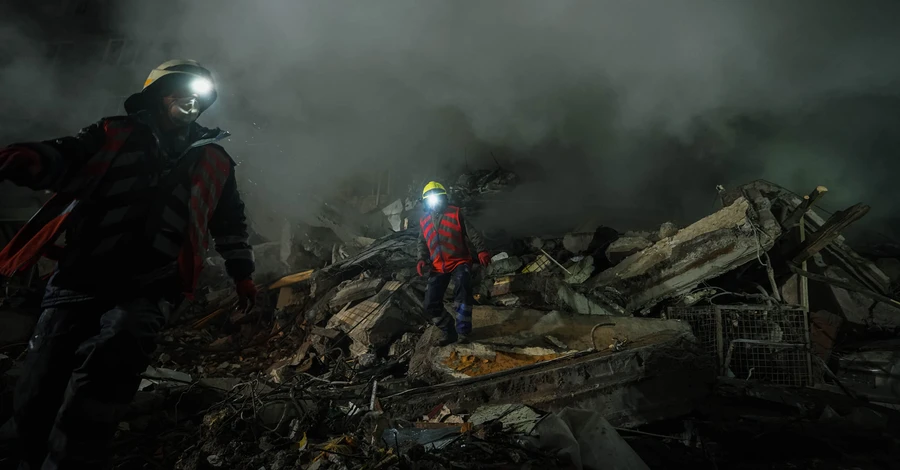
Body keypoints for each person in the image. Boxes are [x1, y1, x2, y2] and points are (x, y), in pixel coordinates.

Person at [0, 59, 257, 469]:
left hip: (150, 286)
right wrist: (33, 159)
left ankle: (70, 462)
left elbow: (230, 223)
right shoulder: (113, 135)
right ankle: (22, 456)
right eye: (180, 89)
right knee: (39, 384)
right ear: (157, 94)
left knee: (109, 369)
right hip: (79, 278)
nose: (191, 99)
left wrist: (242, 274)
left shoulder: (215, 161)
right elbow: (66, 155)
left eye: (199, 94)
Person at [416, 181, 491, 345]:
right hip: (438, 265)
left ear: (444, 198)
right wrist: (421, 259)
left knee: (463, 292)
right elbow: (422, 242)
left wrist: (481, 250)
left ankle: (463, 331)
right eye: (430, 199)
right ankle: (449, 331)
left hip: (459, 261)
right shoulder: (424, 221)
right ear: (425, 202)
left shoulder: (456, 213)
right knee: (430, 303)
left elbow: (473, 233)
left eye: (437, 198)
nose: (434, 202)